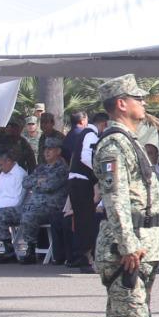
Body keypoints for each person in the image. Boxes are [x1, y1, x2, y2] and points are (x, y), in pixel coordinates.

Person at [93, 75, 159, 317]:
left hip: (143, 243)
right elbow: (115, 197)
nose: (144, 102)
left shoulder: (129, 141)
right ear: (121, 103)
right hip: (128, 245)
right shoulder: (114, 145)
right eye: (138, 98)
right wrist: (127, 244)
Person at [13, 136, 68, 264]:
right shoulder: (41, 168)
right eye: (45, 149)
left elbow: (50, 186)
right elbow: (25, 182)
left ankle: (31, 250)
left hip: (51, 208)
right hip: (32, 206)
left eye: (51, 149)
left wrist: (37, 183)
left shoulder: (62, 169)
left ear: (58, 151)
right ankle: (8, 250)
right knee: (2, 214)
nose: (47, 152)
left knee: (29, 216)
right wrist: (39, 181)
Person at [63, 109, 105, 273]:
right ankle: (85, 258)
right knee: (85, 221)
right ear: (103, 124)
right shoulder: (90, 134)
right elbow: (86, 157)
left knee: (82, 221)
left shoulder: (85, 134)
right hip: (81, 182)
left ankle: (81, 256)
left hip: (77, 181)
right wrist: (99, 172)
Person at [0, 150, 28, 260]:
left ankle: (9, 249)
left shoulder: (20, 174)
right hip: (2, 209)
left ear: (9, 161)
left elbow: (17, 199)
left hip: (17, 209)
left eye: (0, 165)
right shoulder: (2, 175)